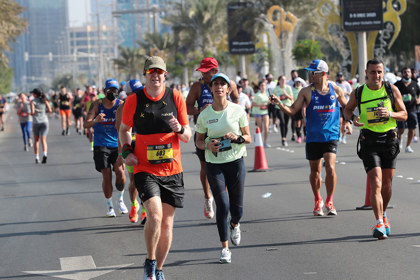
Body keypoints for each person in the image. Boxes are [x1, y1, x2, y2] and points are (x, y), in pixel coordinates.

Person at [120, 56, 191, 280]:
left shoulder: (176, 97)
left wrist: (179, 128)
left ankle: (159, 268)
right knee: (155, 216)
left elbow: (188, 135)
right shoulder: (134, 100)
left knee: (168, 223)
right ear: (145, 74)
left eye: (159, 72)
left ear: (165, 74)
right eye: (152, 72)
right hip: (145, 168)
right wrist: (125, 152)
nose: (156, 75)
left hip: (173, 169)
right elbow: (124, 130)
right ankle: (150, 261)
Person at [271, 59, 352, 216]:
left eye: (312, 72)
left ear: (322, 74)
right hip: (313, 136)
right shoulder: (306, 91)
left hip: (331, 135)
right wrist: (279, 104)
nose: (309, 75)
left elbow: (347, 107)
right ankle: (318, 200)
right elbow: (293, 110)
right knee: (315, 171)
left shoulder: (335, 89)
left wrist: (347, 122)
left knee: (330, 166)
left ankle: (329, 200)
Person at [344, 58, 407, 239]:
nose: (376, 75)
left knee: (387, 184)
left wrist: (390, 113)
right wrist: (352, 119)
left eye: (379, 72)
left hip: (389, 140)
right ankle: (379, 222)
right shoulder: (359, 92)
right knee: (376, 183)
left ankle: (384, 214)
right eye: (373, 72)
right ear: (366, 73)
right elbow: (347, 109)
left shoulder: (391, 90)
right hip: (369, 140)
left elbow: (403, 114)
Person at [196, 73, 251, 264]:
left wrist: (237, 138)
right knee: (223, 205)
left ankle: (235, 224)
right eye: (215, 84)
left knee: (237, 210)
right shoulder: (205, 115)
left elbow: (248, 137)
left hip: (235, 162)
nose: (219, 87)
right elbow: (199, 141)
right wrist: (208, 146)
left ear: (228, 89)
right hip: (214, 164)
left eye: (222, 84)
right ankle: (225, 248)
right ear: (211, 89)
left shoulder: (238, 111)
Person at [185, 57, 239, 220]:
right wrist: (199, 110)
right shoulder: (197, 86)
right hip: (204, 135)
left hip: (225, 133)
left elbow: (236, 98)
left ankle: (225, 202)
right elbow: (187, 107)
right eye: (201, 71)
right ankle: (208, 198)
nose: (202, 74)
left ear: (215, 71)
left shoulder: (229, 84)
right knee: (205, 168)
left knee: (227, 167)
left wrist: (234, 110)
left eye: (205, 72)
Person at [84, 79, 128, 217]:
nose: (113, 93)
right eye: (110, 90)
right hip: (101, 145)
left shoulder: (121, 105)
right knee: (107, 175)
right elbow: (86, 124)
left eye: (115, 90)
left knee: (120, 174)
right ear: (104, 92)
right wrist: (96, 120)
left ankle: (120, 199)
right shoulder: (97, 104)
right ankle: (109, 205)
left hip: (117, 145)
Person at [115, 79, 147, 224]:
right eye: (134, 93)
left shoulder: (147, 103)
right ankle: (134, 205)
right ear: (127, 94)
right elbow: (119, 131)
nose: (137, 95)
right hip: (130, 146)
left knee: (147, 180)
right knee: (134, 181)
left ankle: (146, 211)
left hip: (146, 146)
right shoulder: (123, 107)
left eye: (139, 92)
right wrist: (121, 153)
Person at [394, 67, 420, 153]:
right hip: (401, 110)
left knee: (412, 128)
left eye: (408, 72)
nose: (407, 73)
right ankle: (400, 140)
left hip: (412, 109)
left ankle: (408, 146)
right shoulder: (397, 84)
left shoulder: (414, 84)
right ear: (402, 73)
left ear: (411, 73)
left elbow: (418, 93)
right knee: (401, 129)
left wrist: (418, 99)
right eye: (405, 72)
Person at [30, 89, 52, 164]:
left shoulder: (33, 102)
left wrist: (31, 113)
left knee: (36, 140)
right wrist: (43, 111)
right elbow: (50, 110)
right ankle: (45, 154)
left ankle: (37, 157)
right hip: (44, 121)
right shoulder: (44, 100)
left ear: (35, 94)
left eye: (33, 94)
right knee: (43, 140)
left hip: (36, 122)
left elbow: (32, 112)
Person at [273, 75, 294, 146]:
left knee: (286, 123)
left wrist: (286, 95)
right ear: (279, 81)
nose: (283, 81)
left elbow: (291, 98)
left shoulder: (288, 88)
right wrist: (275, 98)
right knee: (282, 122)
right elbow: (273, 97)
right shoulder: (276, 89)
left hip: (287, 106)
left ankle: (284, 137)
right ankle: (283, 138)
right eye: (281, 80)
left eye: (284, 80)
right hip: (279, 107)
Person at [252, 81, 271, 148]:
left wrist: (269, 101)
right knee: (260, 128)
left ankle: (265, 142)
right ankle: (256, 136)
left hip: (265, 112)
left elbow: (268, 102)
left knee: (266, 127)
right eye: (262, 86)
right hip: (258, 113)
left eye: (264, 85)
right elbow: (253, 104)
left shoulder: (267, 94)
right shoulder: (257, 94)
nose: (263, 87)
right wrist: (261, 105)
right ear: (260, 87)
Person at [336, 72, 353, 144]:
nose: (340, 77)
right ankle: (339, 136)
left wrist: (344, 92)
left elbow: (351, 94)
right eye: (338, 76)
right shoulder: (335, 84)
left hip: (345, 106)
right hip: (338, 106)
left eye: (341, 76)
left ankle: (343, 136)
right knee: (339, 122)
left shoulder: (347, 84)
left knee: (344, 123)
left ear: (343, 77)